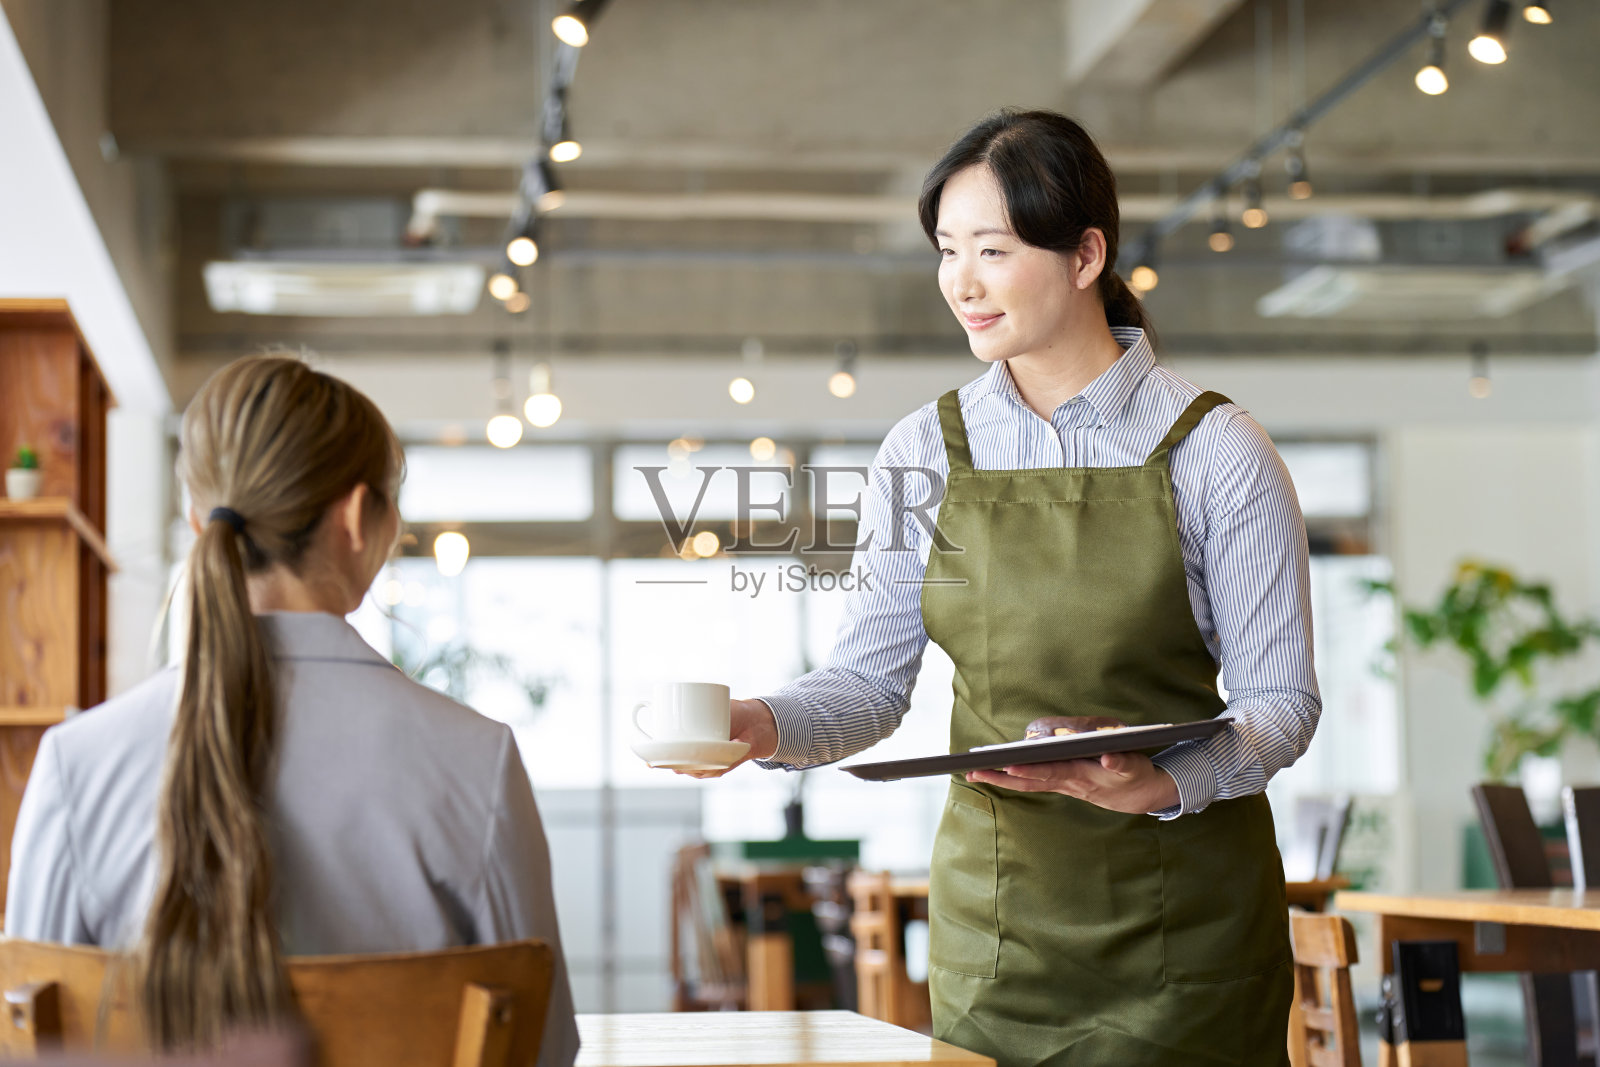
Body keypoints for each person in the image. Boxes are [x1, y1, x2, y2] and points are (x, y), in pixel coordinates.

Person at [695, 110, 1319, 1065]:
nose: (962, 282)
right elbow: (870, 686)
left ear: (1084, 255)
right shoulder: (923, 449)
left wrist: (1165, 779)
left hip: (1186, 930)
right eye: (948, 250)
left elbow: (1281, 703)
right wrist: (761, 722)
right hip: (998, 933)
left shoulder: (1218, 450)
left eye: (992, 248)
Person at [6, 355, 579, 1064]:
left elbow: (22, 1047)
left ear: (195, 520)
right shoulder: (475, 759)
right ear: (353, 517)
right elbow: (544, 1047)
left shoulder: (74, 766)